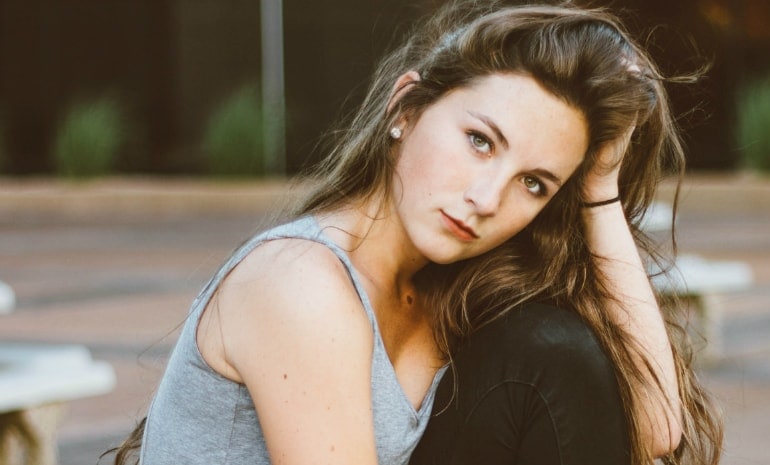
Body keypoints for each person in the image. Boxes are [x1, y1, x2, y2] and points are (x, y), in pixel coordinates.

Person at [111, 2, 722, 464]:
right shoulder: (300, 284)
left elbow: (653, 426)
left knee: (552, 346)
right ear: (406, 109)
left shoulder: (453, 294)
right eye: (480, 141)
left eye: (534, 183)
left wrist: (599, 191)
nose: (486, 200)